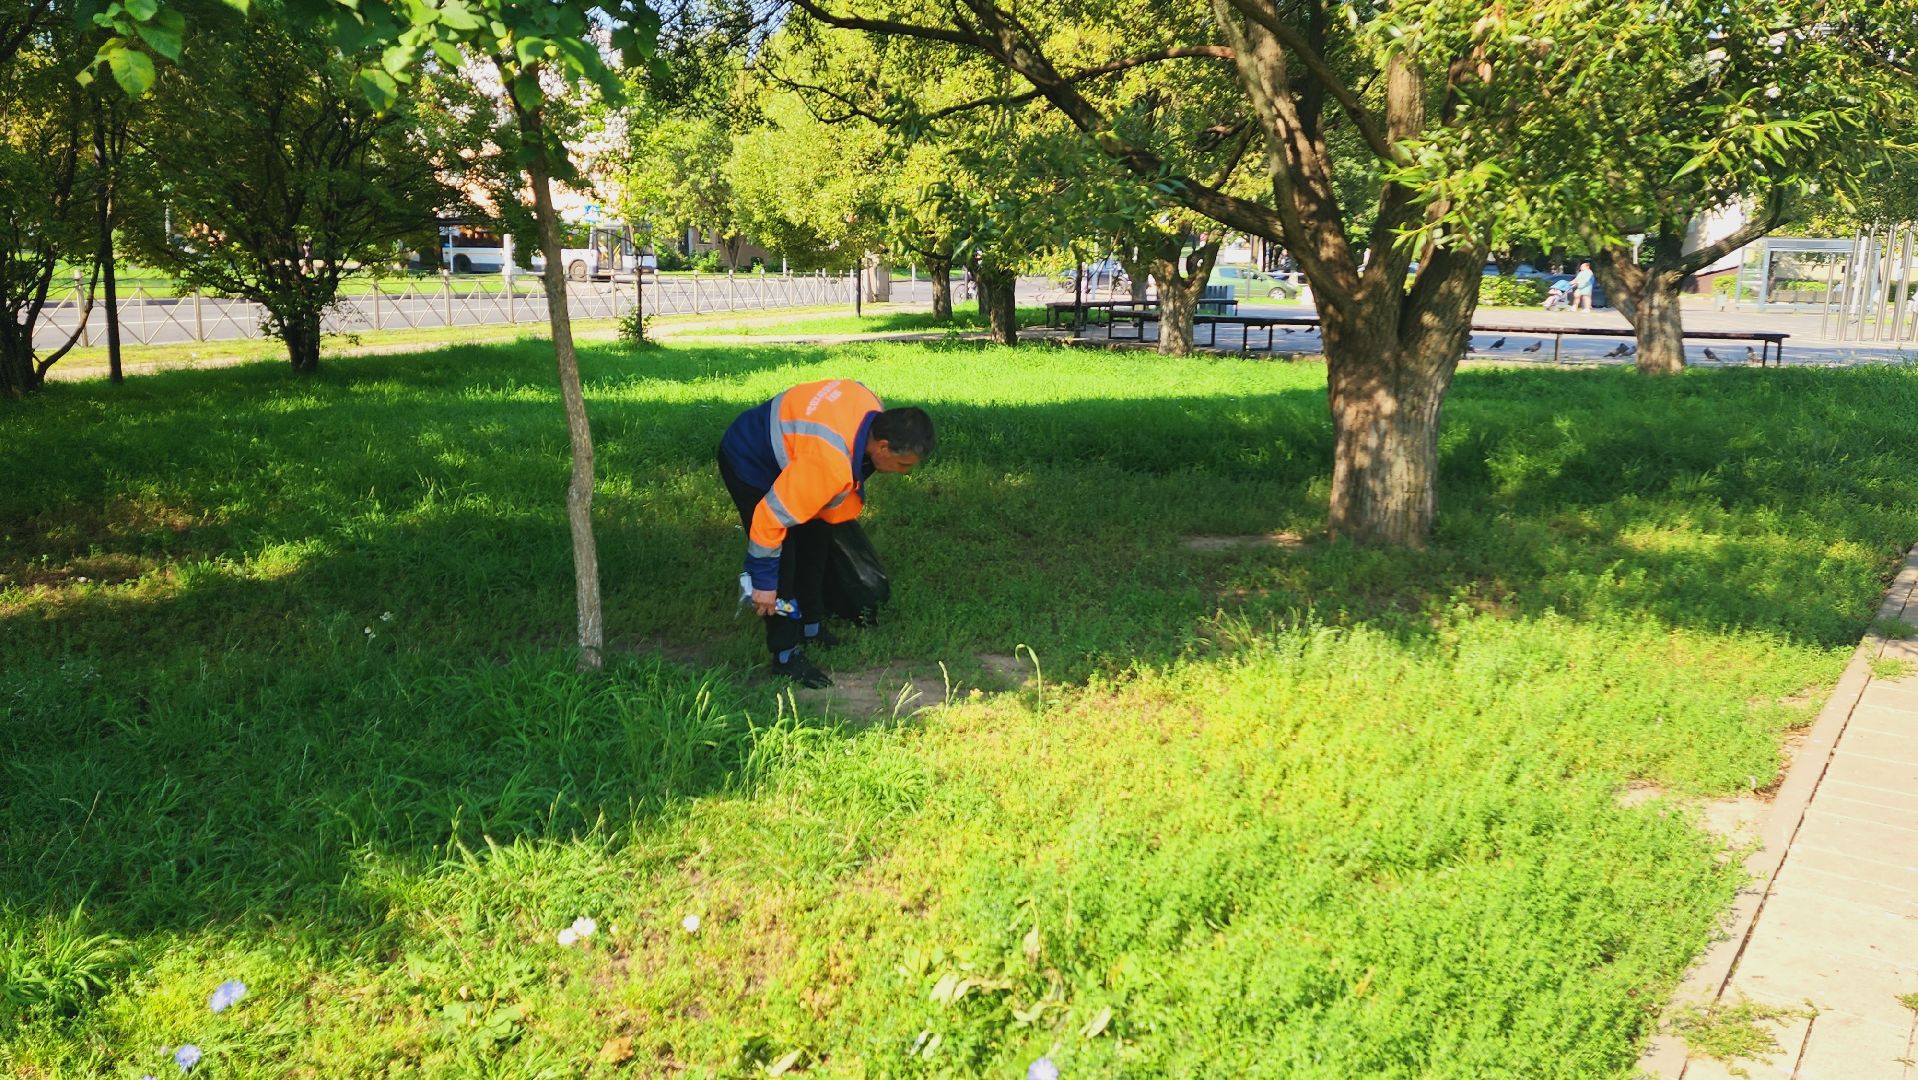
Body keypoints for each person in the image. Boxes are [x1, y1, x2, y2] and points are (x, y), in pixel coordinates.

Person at [715, 379, 934, 688]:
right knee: (784, 559)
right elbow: (769, 518)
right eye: (903, 464)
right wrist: (763, 582)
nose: (905, 472)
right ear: (883, 447)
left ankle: (811, 627)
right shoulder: (830, 465)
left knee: (816, 543)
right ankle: (785, 657)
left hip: (799, 458)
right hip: (751, 460)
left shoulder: (868, 403)